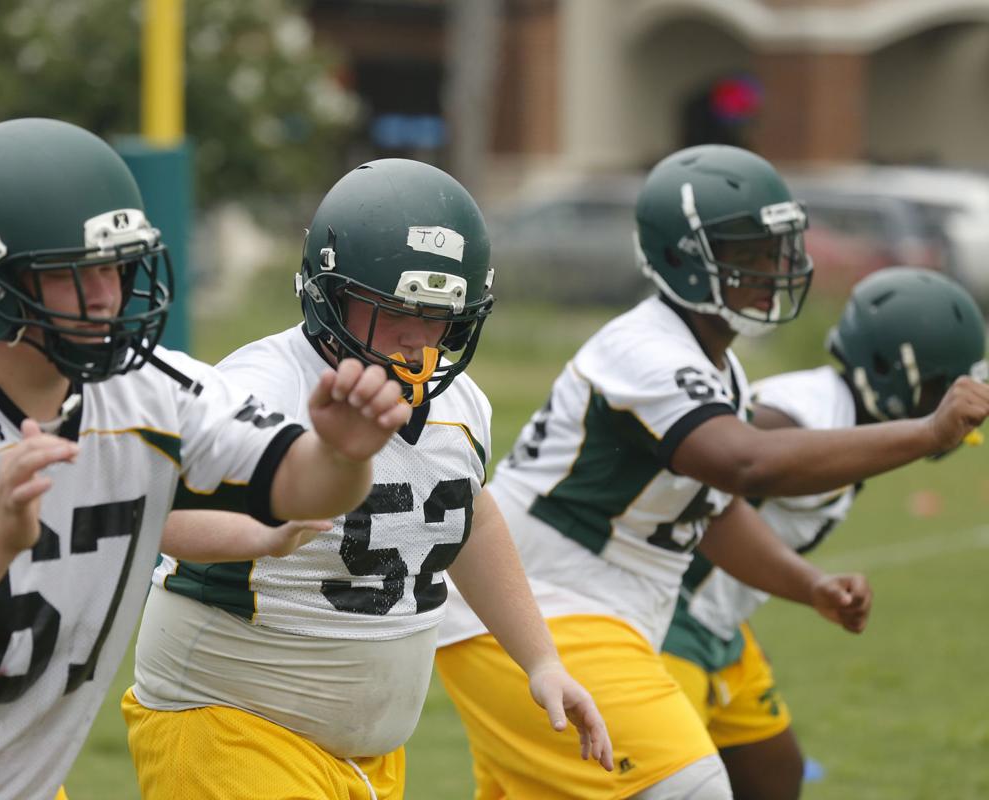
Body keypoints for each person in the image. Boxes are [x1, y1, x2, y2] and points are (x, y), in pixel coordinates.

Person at [0, 117, 413, 800]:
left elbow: (303, 486)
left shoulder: (151, 391)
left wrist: (346, 454)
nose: (110, 296)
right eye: (75, 274)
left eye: (118, 266)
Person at [434, 144, 989, 799]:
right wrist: (927, 431)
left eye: (778, 248)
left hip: (577, 611)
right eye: (749, 253)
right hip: (543, 613)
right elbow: (746, 463)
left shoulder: (714, 364)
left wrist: (808, 586)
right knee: (694, 789)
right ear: (682, 261)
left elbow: (711, 513)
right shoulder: (646, 350)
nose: (774, 268)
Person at [122, 158, 613, 800]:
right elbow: (152, 516)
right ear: (331, 296)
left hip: (368, 759)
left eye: (440, 316)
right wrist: (259, 534)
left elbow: (469, 518)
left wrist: (541, 659)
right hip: (230, 721)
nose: (417, 340)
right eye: (392, 311)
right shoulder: (260, 389)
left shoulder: (464, 407)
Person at [660, 266, 987, 800]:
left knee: (774, 775)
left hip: (717, 627)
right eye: (937, 387)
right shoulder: (803, 413)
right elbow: (717, 460)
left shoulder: (841, 413)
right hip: (663, 619)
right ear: (890, 371)